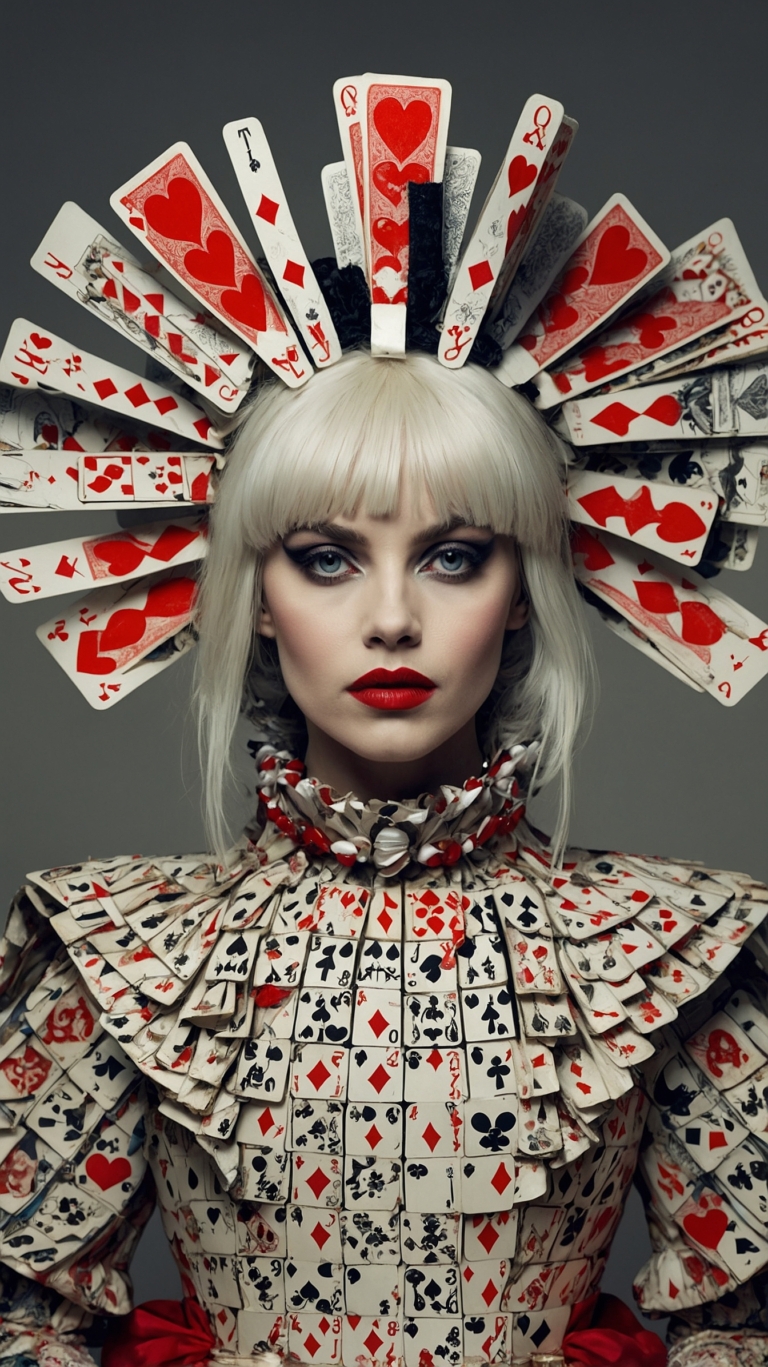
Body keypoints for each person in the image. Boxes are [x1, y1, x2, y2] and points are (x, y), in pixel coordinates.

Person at [1, 78, 768, 1367]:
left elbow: (738, 1339)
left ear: (527, 591)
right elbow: (26, 1329)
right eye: (326, 557)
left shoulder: (679, 949)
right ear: (249, 594)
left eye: (457, 556)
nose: (395, 618)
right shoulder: (107, 954)